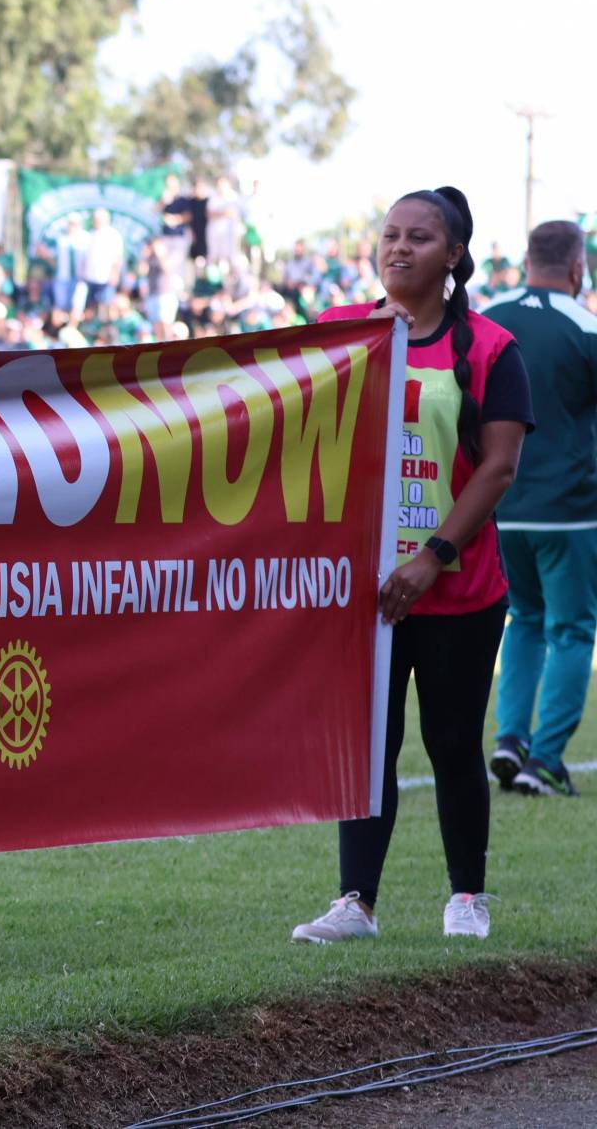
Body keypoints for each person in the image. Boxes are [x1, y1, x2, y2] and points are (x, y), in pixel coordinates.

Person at [293, 187, 531, 945]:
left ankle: (467, 895)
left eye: (419, 237)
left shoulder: (493, 348)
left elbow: (497, 469)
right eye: (389, 234)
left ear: (453, 254)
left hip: (456, 588)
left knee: (455, 742)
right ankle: (355, 902)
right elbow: (283, 423)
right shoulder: (336, 334)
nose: (398, 247)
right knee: (366, 742)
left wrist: (431, 558)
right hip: (361, 592)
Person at [481, 220, 596, 797]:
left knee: (523, 621)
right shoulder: (586, 326)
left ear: (527, 261)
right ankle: (545, 759)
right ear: (578, 268)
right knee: (572, 629)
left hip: (499, 504)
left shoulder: (489, 318)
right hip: (570, 510)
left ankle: (511, 739)